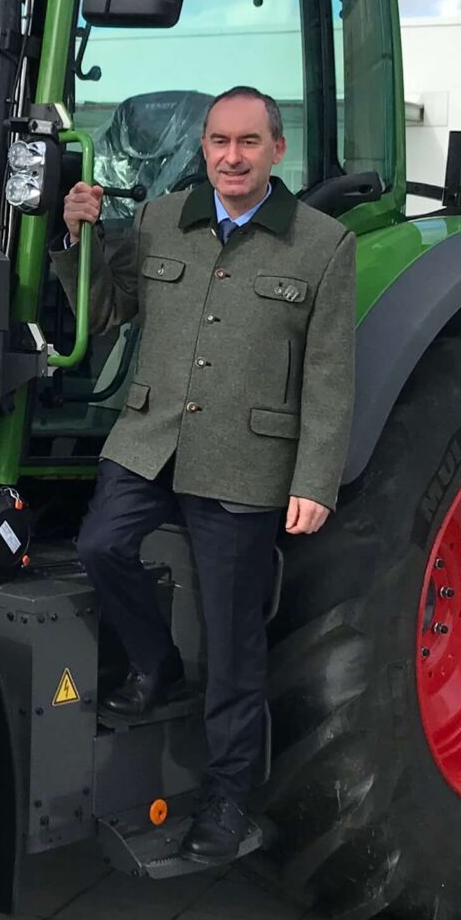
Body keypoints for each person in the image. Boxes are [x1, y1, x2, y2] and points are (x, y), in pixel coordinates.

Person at [57, 85, 355, 863]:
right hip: (151, 438)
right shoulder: (162, 219)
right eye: (219, 141)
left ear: (275, 151)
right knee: (100, 547)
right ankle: (154, 666)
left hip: (245, 460)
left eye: (248, 143)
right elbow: (109, 309)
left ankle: (227, 801)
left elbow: (329, 376)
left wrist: (314, 481)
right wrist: (77, 237)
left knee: (233, 644)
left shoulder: (323, 245)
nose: (231, 156)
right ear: (206, 148)